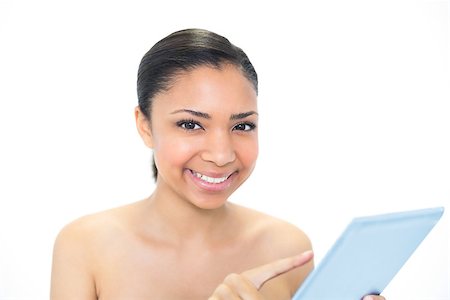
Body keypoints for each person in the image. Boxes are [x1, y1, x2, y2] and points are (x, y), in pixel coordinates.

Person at [50, 28, 386, 300]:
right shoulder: (86, 247)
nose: (222, 154)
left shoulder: (288, 249)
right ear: (145, 125)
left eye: (242, 126)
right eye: (191, 124)